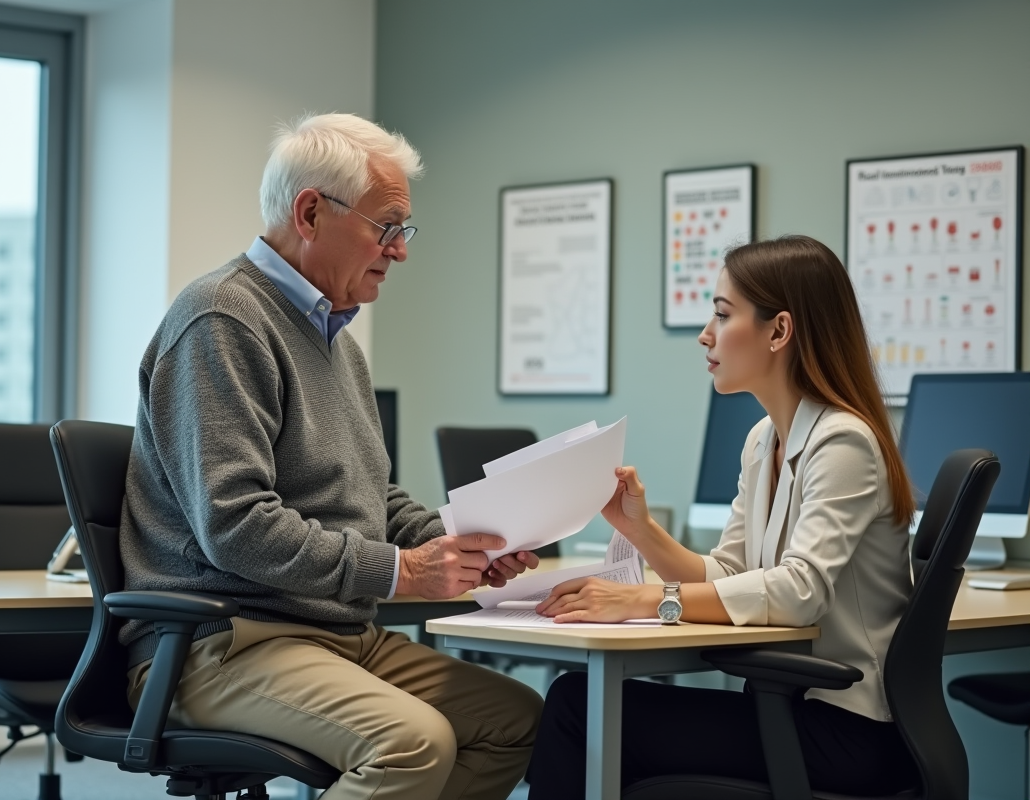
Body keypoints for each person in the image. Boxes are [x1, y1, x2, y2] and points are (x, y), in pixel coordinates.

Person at [118, 113, 543, 800]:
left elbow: (373, 494)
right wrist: (401, 571)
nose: (400, 251)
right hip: (223, 641)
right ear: (311, 211)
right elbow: (236, 526)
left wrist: (458, 544)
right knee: (412, 744)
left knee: (518, 720)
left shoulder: (336, 340)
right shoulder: (221, 319)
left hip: (331, 632)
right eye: (388, 228)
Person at [526, 235, 921, 797]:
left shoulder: (844, 442)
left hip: (850, 730)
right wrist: (640, 528)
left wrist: (644, 599)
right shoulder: (764, 439)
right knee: (588, 710)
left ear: (779, 331)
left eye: (721, 314)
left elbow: (800, 590)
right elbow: (729, 572)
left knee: (578, 706)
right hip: (793, 714)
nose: (705, 336)